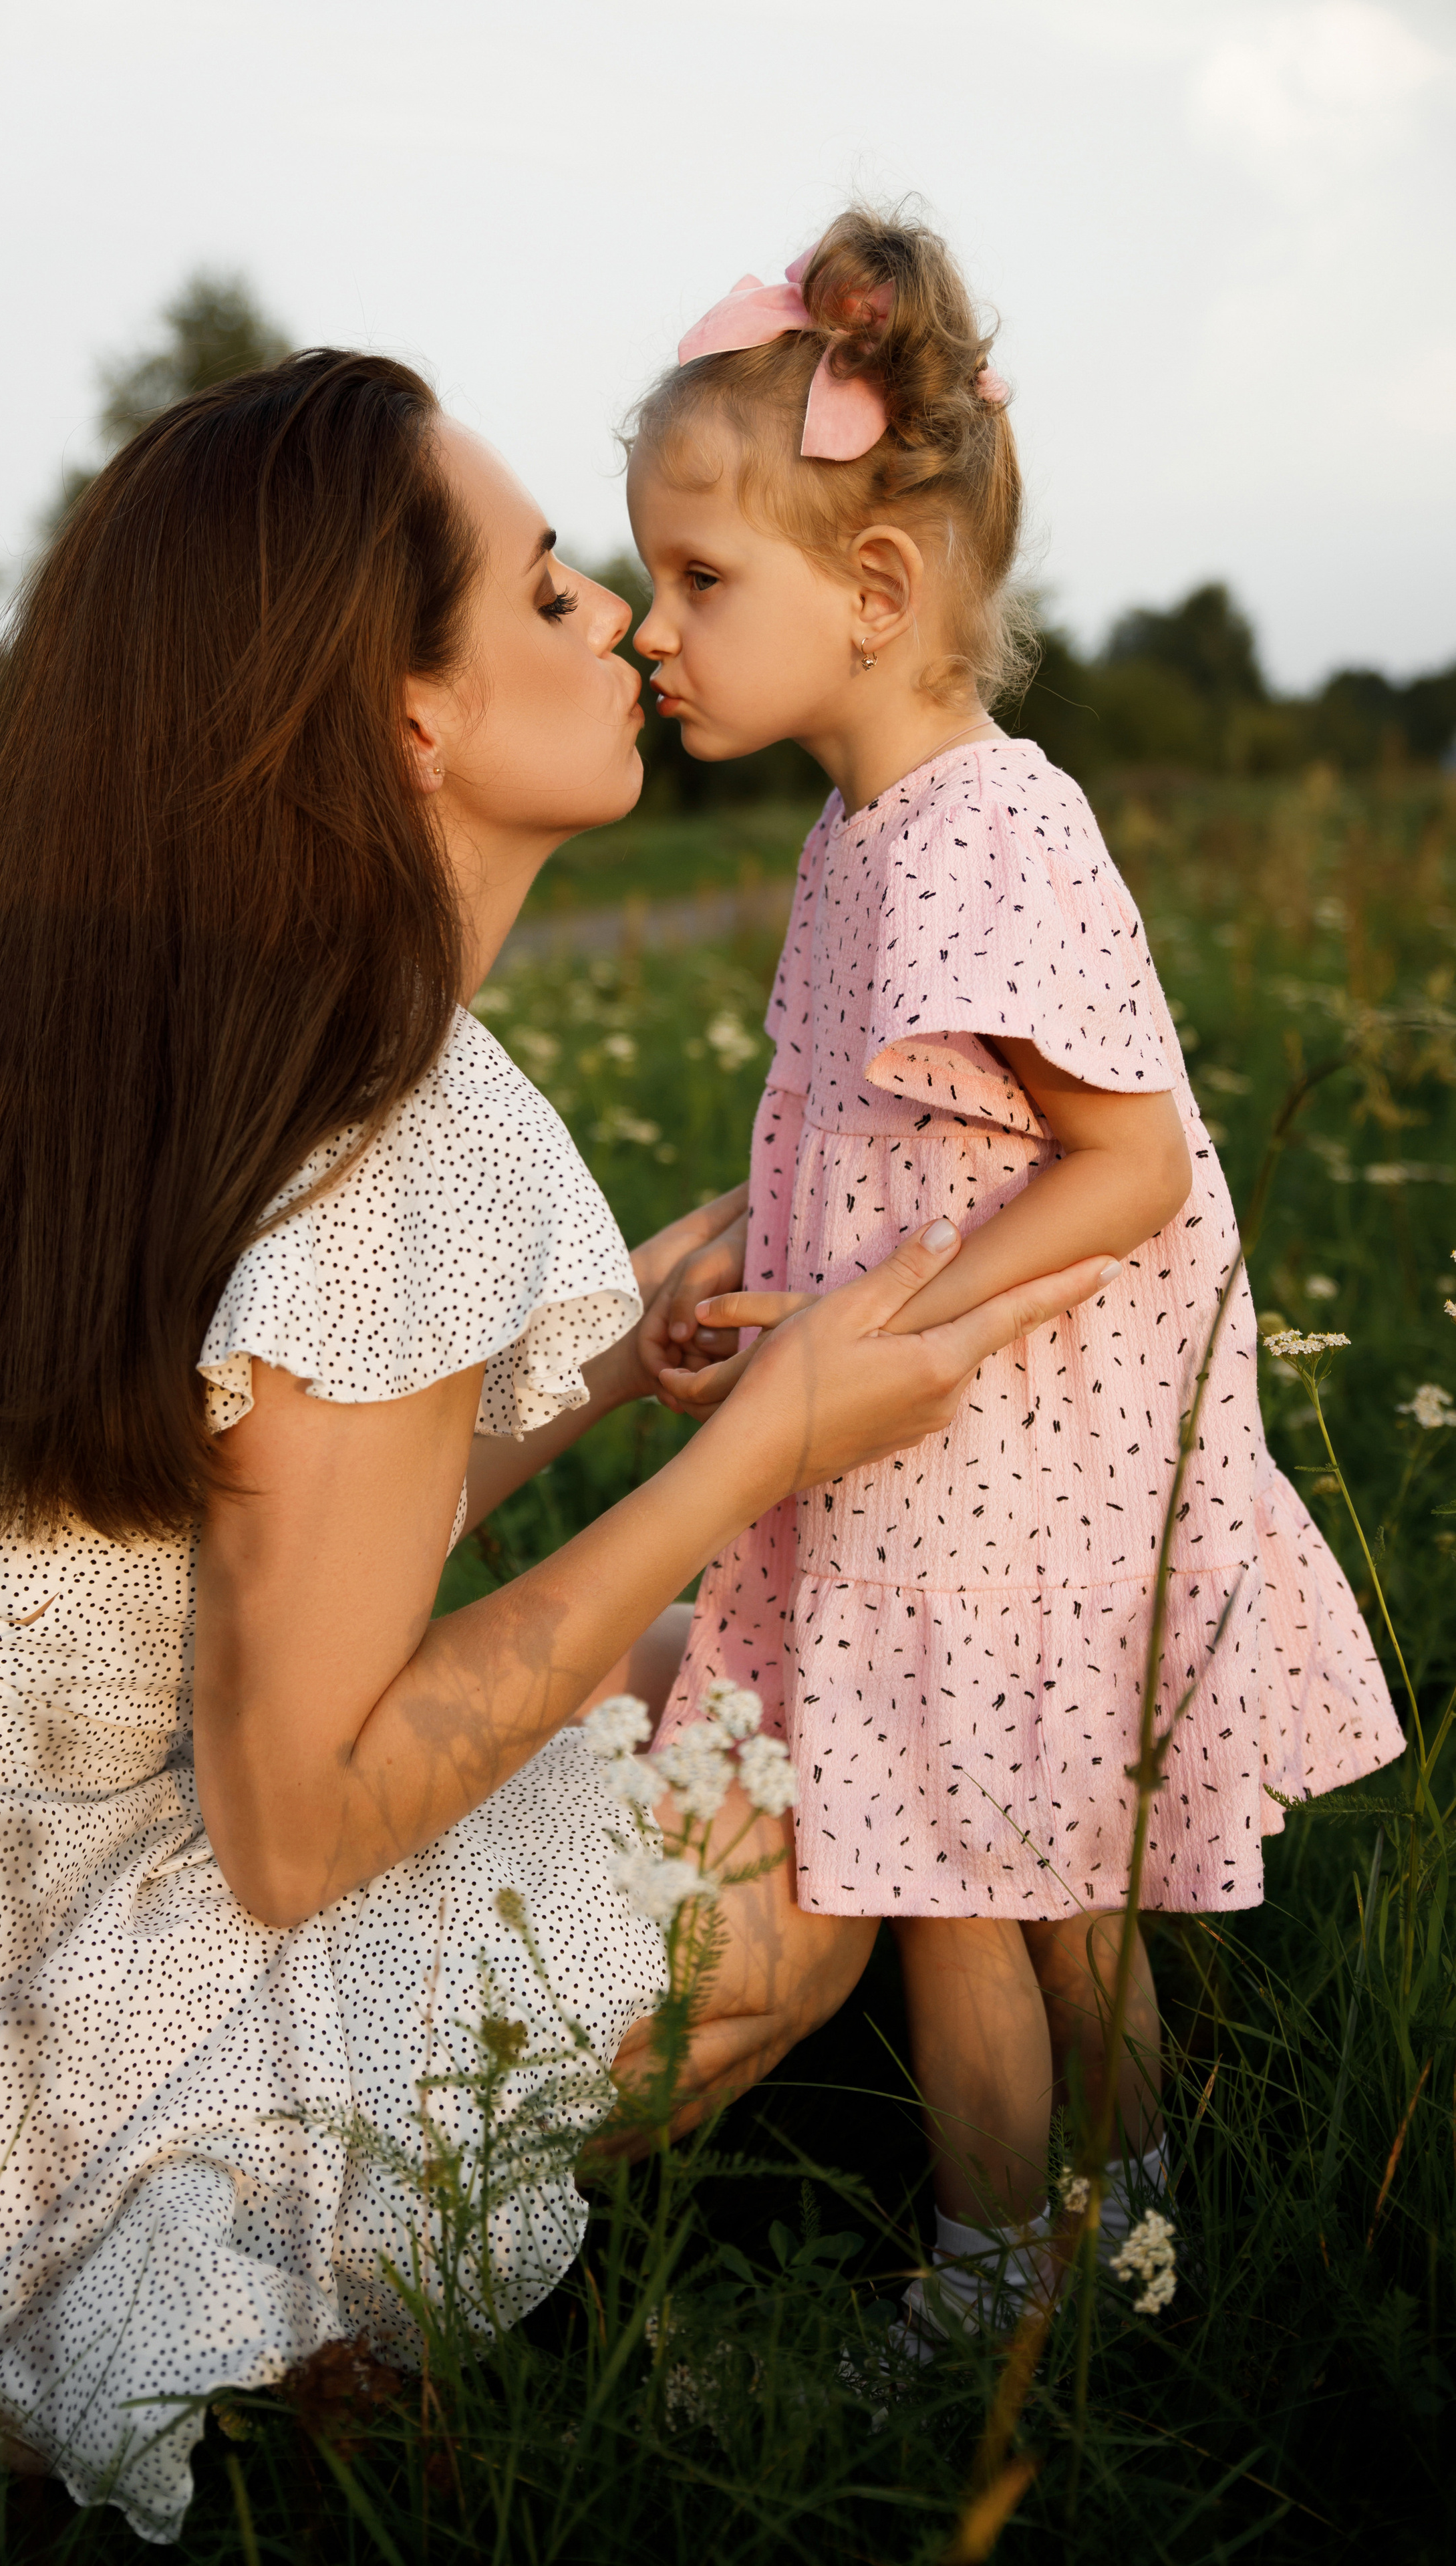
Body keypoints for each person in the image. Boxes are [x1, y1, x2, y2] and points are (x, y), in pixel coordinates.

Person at [0, 347, 1112, 2551]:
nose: (630, 630)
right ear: (413, 723)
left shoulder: (126, 1012)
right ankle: (202, 2349)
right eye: (558, 592)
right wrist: (751, 1448)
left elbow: (199, 1558)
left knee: (702, 1669)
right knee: (772, 1805)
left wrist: (595, 1382)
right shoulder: (394, 1128)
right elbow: (293, 1824)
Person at [627, 206, 1403, 2353]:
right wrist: (780, 1297)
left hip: (1015, 1474)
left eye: (702, 580)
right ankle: (1102, 2238)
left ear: (874, 593)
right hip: (944, 1457)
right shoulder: (866, 832)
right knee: (1026, 1887)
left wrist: (885, 1328)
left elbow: (1135, 1164)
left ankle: (1035, 2263)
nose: (651, 628)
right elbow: (901, 1145)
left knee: (986, 1891)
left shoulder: (987, 827)